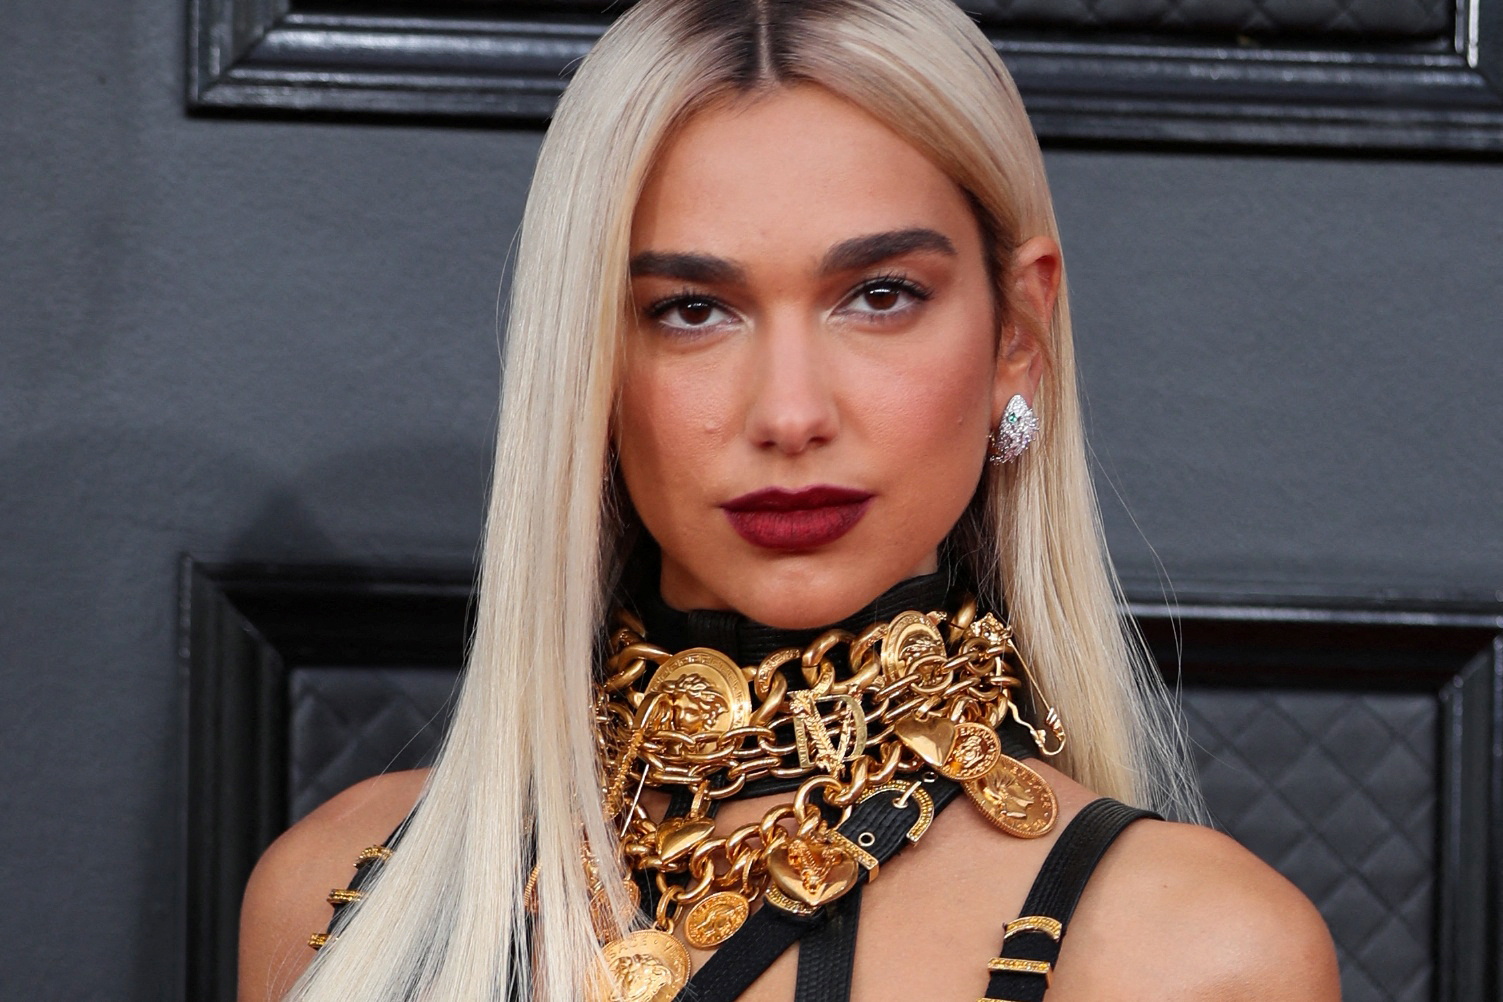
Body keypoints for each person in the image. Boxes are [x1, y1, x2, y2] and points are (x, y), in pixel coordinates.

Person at [238, 1, 1341, 1000]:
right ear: (586, 359)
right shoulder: (338, 898)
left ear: (1016, 334)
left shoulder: (1195, 954)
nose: (791, 413)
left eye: (879, 295)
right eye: (690, 310)